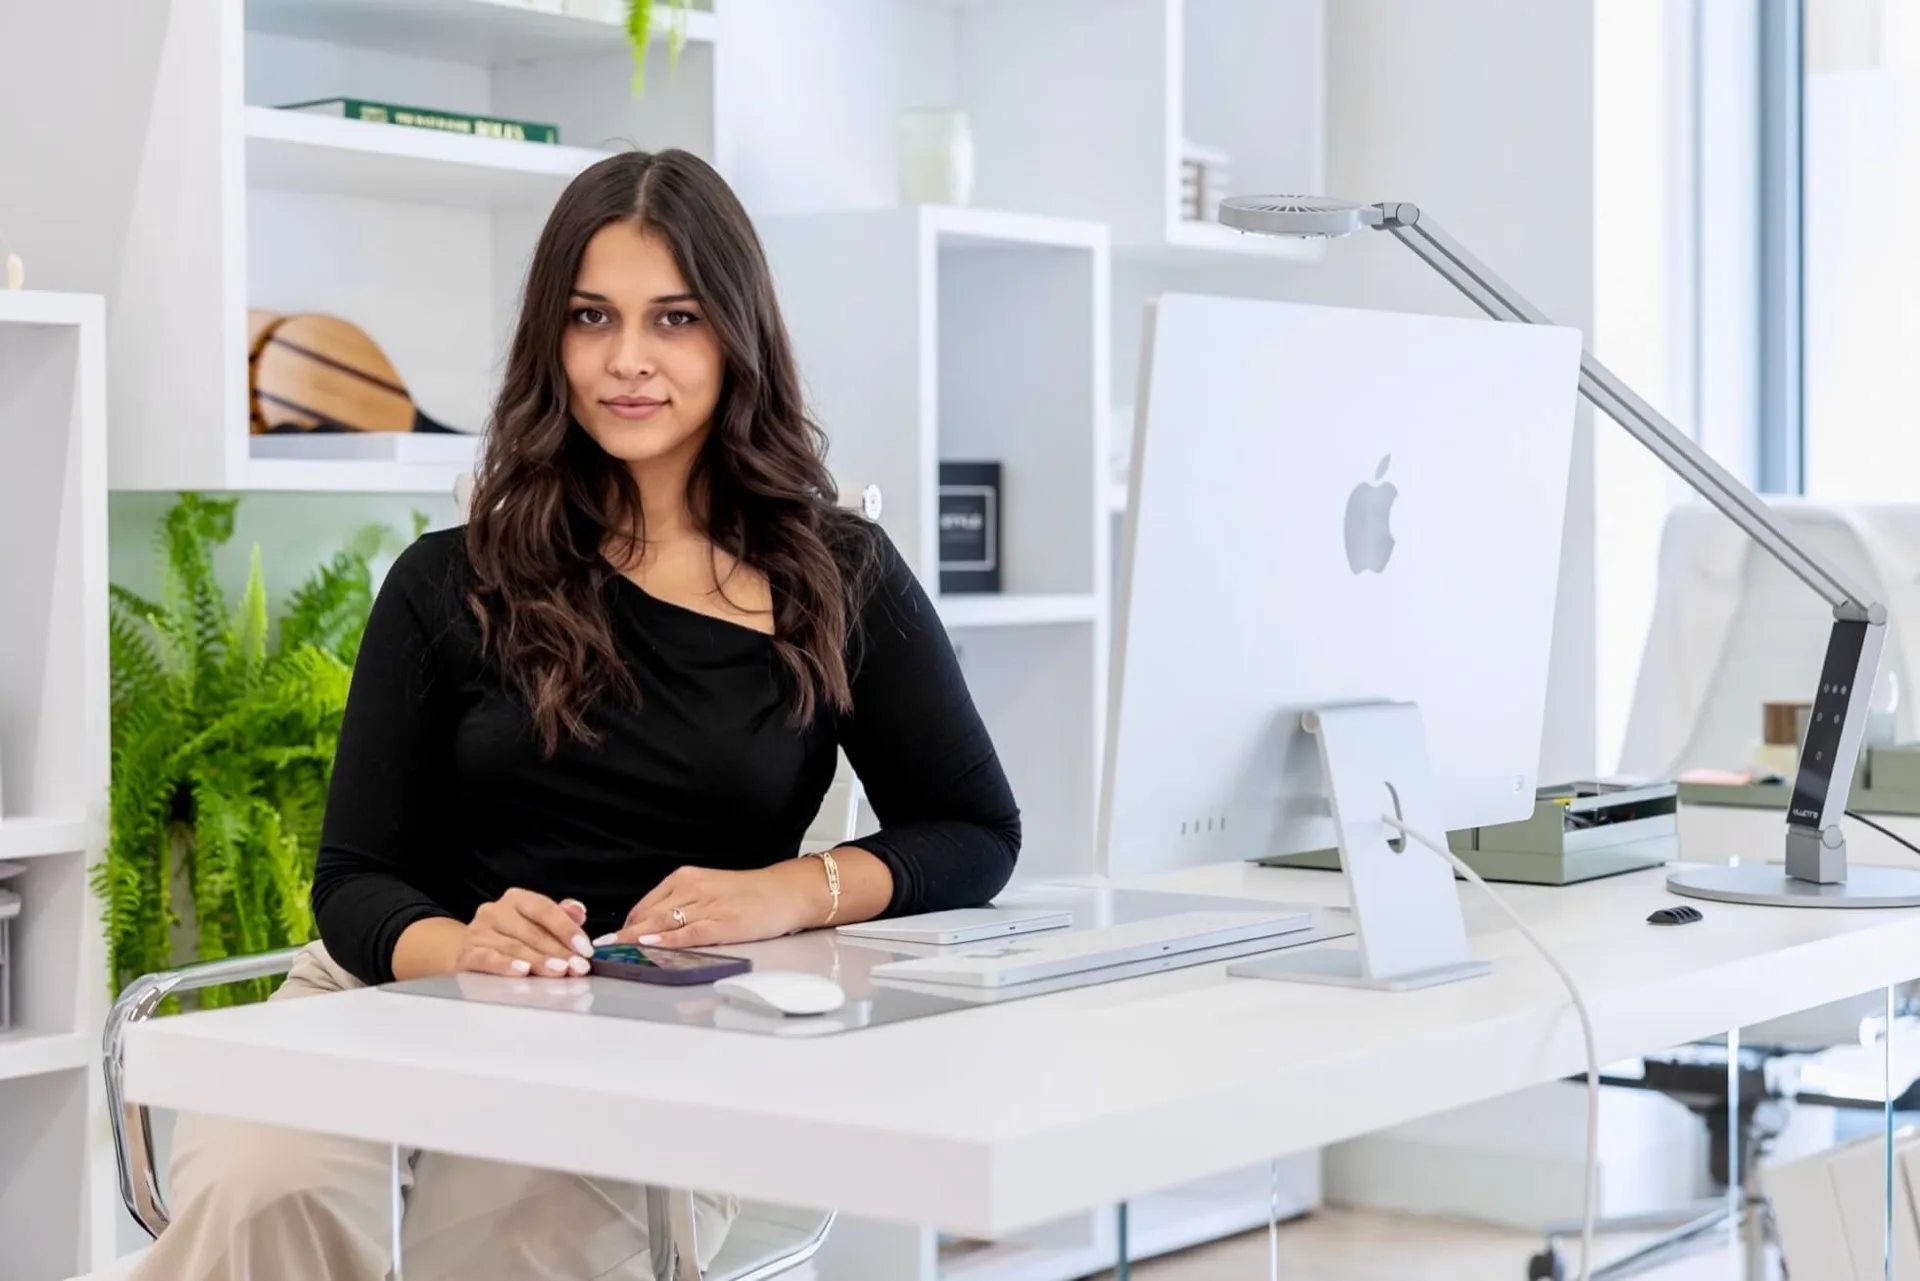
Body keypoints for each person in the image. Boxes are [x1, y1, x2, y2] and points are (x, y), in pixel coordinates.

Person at [135, 148, 1021, 1281]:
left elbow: (975, 830)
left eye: (674, 318)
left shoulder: (836, 576)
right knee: (266, 1189)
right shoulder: (447, 580)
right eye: (591, 316)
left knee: (508, 1241)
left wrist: (788, 890)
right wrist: (466, 946)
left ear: (736, 335)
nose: (627, 359)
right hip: (398, 993)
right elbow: (356, 880)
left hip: (658, 1040)